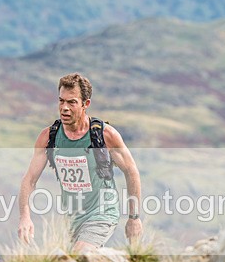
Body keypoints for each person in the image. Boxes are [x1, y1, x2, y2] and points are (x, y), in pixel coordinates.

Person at [18, 73, 143, 252]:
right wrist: (25, 216)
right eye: (61, 101)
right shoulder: (49, 137)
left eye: (72, 102)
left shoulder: (105, 135)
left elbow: (131, 171)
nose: (65, 108)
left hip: (102, 213)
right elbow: (29, 180)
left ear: (86, 104)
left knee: (78, 255)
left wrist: (134, 218)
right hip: (71, 220)